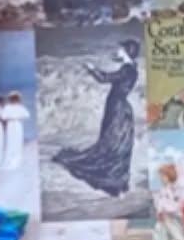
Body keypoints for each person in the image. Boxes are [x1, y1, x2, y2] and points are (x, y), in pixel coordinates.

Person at [52, 37, 141, 197]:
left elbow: (103, 78)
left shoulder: (127, 69)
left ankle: (112, 180)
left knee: (111, 143)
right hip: (121, 107)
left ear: (127, 52)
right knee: (116, 144)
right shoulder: (132, 68)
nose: (118, 51)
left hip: (117, 108)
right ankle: (118, 181)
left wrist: (91, 68)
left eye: (121, 49)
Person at [0, 90, 30, 169]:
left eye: (16, 98)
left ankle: (16, 162)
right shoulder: (7, 107)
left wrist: (18, 117)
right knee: (10, 142)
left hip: (18, 125)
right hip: (10, 125)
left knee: (17, 142)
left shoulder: (20, 107)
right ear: (10, 99)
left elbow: (27, 115)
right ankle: (8, 162)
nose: (15, 100)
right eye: (13, 98)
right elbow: (3, 116)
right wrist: (11, 117)